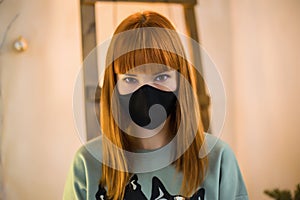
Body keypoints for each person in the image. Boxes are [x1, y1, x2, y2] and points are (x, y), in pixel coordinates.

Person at [63, 11, 248, 200]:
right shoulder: (87, 165)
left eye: (160, 77)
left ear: (180, 80)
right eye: (130, 79)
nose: (145, 93)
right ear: (114, 86)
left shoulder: (219, 161)